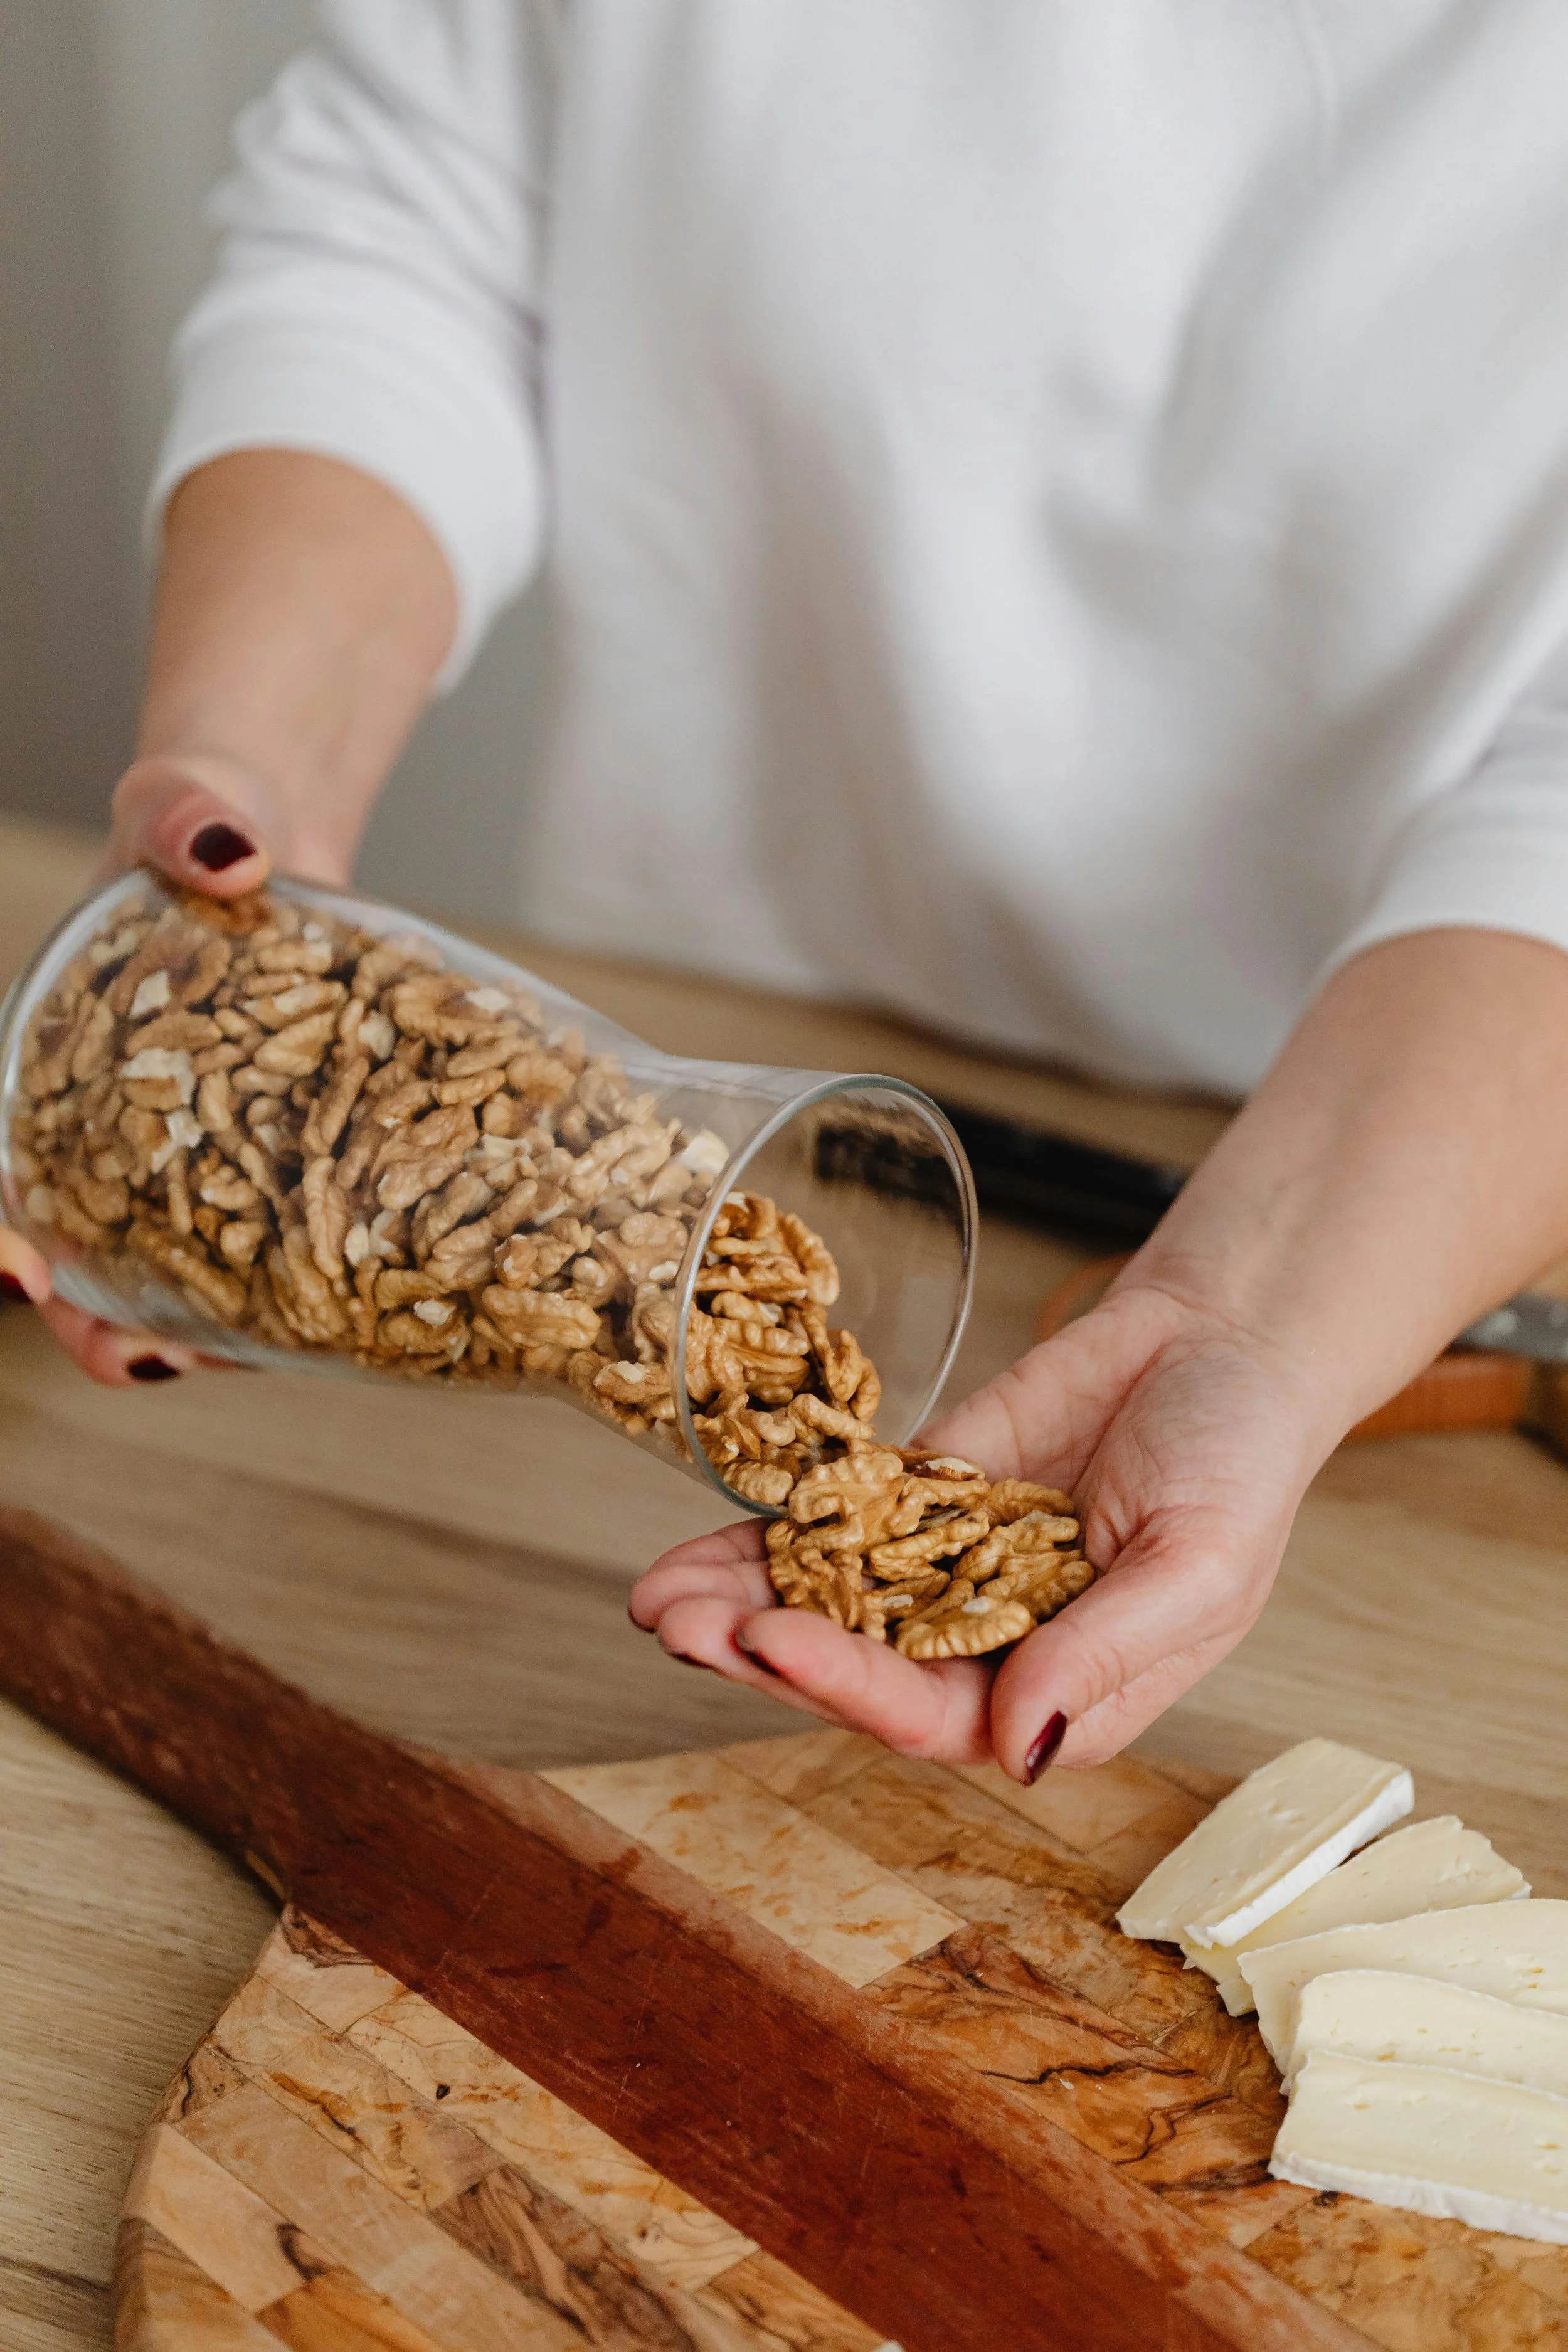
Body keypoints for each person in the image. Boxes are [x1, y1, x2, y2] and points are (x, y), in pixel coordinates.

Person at [9, 1, 1568, 1786]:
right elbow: (415, 214)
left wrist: (1251, 1319)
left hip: (1407, 1123)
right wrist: (248, 774)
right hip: (699, 1041)